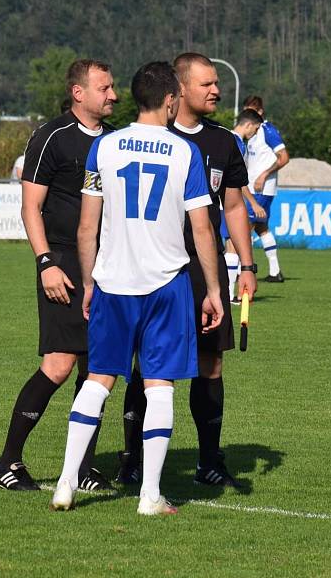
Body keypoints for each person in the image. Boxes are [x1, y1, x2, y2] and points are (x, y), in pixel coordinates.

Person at [49, 60, 224, 515]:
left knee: (98, 379)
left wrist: (89, 281)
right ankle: (150, 495)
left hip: (113, 282)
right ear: (170, 100)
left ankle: (66, 483)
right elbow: (202, 229)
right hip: (167, 285)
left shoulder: (104, 148)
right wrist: (212, 290)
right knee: (160, 386)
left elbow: (87, 227)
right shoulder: (184, 153)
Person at [116, 53, 257, 488]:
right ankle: (132, 460)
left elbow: (232, 206)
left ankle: (210, 462)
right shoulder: (150, 137)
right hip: (153, 264)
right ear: (178, 89)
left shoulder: (224, 142)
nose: (216, 90)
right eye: (207, 84)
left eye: (217, 83)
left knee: (211, 364)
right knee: (146, 365)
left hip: (204, 265)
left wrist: (247, 263)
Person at [0, 59, 118, 492]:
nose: (113, 95)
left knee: (98, 368)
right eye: (104, 88)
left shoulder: (117, 142)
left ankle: (82, 467)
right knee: (59, 365)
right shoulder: (52, 136)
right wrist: (45, 261)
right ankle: (7, 463)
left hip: (108, 265)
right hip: (62, 261)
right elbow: (30, 206)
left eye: (113, 87)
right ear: (79, 92)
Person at [242, 95, 290, 282]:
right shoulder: (253, 134)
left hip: (262, 189)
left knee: (243, 229)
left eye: (252, 111)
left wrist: (264, 175)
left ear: (260, 112)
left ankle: (240, 270)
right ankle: (274, 271)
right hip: (253, 187)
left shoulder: (267, 130)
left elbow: (283, 157)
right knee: (262, 228)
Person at [229, 108, 269, 303]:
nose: (255, 132)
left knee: (227, 246)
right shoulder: (236, 142)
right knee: (232, 246)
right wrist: (253, 203)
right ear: (248, 125)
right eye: (256, 128)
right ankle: (229, 295)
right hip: (225, 201)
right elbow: (237, 180)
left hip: (216, 200)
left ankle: (228, 294)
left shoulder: (223, 136)